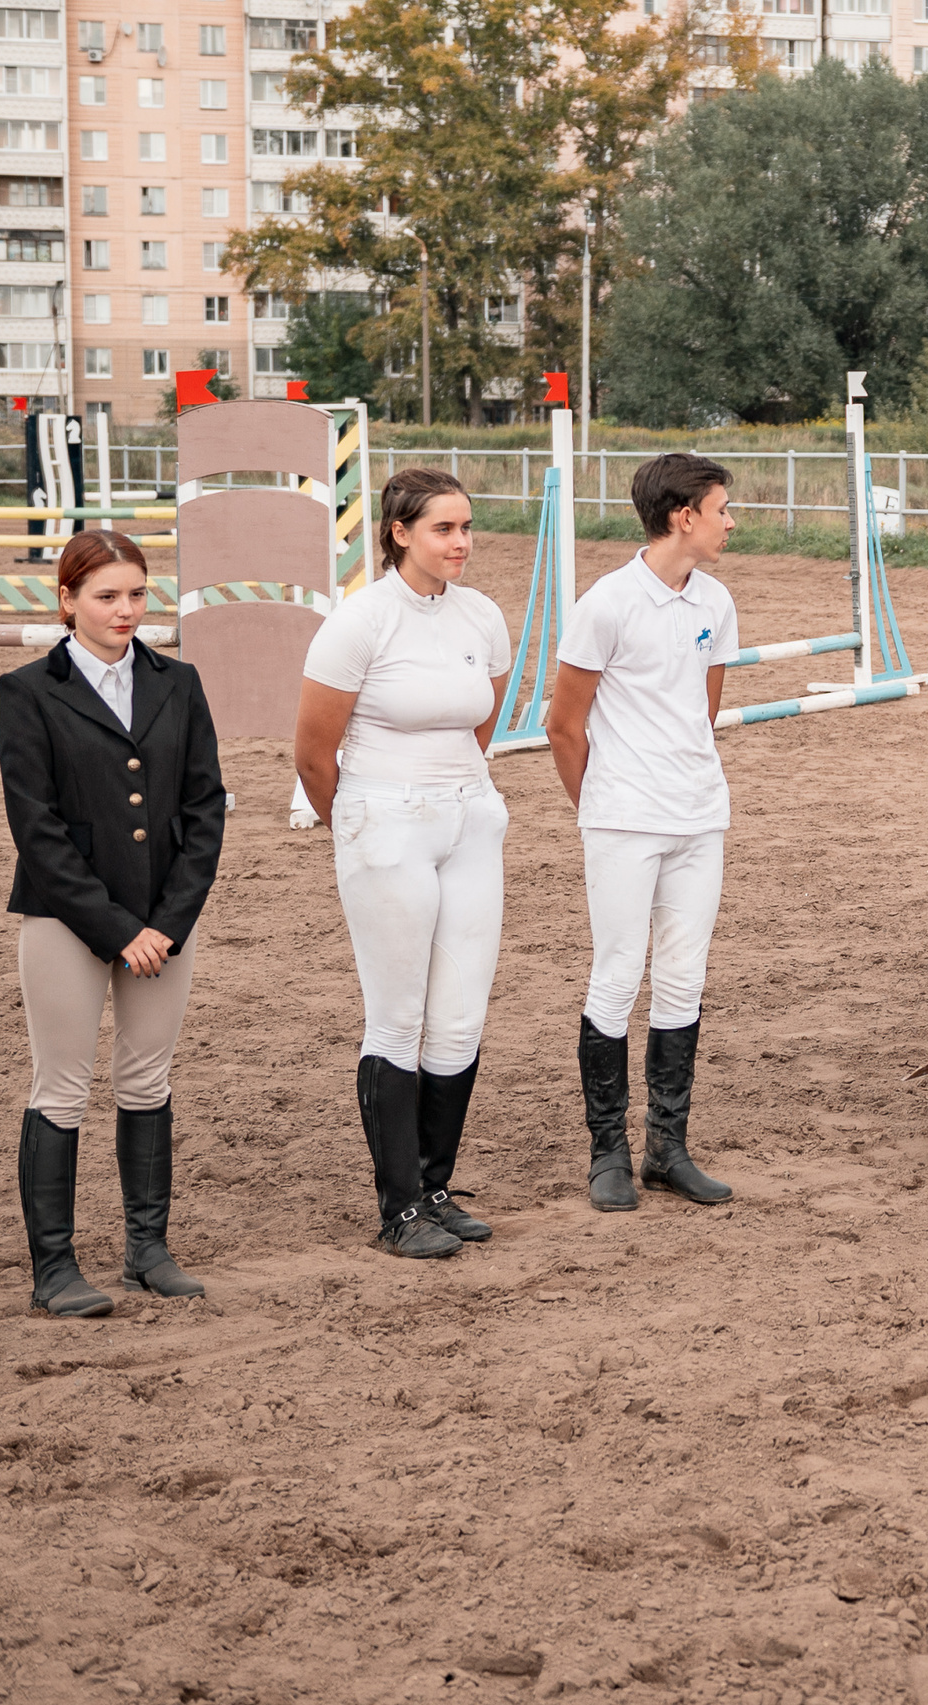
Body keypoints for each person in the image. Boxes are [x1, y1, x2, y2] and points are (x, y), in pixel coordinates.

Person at [0, 530, 226, 1315]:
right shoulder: (25, 691)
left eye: (136, 594)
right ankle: (54, 1266)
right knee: (61, 1085)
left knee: (147, 1078)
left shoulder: (179, 682)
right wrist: (116, 928)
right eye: (106, 596)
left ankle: (146, 1248)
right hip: (66, 918)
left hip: (164, 922)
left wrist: (167, 920)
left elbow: (204, 809)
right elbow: (38, 827)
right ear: (66, 600)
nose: (126, 610)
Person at [296, 469, 513, 1258]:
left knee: (459, 1014)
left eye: (465, 528)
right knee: (399, 1013)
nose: (460, 542)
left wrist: (453, 792)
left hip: (469, 816)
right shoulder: (358, 622)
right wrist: (357, 824)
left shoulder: (482, 615)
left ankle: (434, 1187)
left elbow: (477, 720)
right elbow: (315, 750)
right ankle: (397, 1210)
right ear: (398, 532)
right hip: (383, 819)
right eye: (442, 529)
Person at [544, 452, 741, 1213]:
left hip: (698, 814)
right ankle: (608, 1152)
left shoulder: (715, 602)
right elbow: (564, 724)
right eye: (721, 508)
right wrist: (599, 808)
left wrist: (682, 782)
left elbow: (705, 709)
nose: (731, 521)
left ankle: (668, 1146)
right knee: (618, 972)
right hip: (623, 818)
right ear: (681, 515)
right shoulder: (606, 603)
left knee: (684, 975)